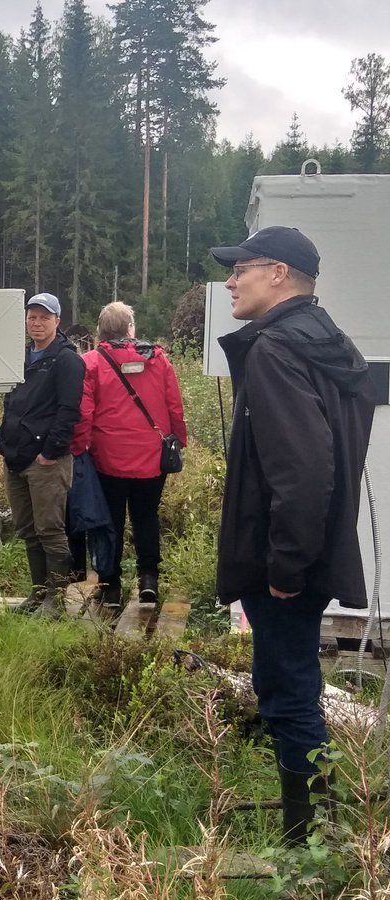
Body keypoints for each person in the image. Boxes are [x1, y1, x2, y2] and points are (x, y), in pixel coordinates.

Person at [211, 225, 374, 844]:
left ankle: (309, 846)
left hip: (284, 563)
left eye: (241, 269)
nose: (230, 280)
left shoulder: (277, 351)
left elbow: (303, 472)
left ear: (278, 274)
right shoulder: (328, 341)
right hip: (313, 552)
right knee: (297, 687)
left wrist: (284, 567)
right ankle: (318, 828)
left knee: (288, 696)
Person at [70, 302, 187, 609]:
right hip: (151, 457)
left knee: (111, 522)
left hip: (107, 459)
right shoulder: (157, 358)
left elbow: (84, 413)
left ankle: (110, 587)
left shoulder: (91, 362)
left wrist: (80, 448)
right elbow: (174, 403)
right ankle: (148, 580)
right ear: (130, 328)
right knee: (146, 517)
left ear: (101, 330)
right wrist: (179, 440)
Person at [0, 293, 85, 617]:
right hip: (16, 459)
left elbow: (69, 412)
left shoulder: (67, 360)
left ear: (57, 321)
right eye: (32, 317)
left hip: (46, 462)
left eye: (43, 318)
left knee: (50, 529)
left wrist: (49, 453)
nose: (36, 323)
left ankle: (56, 601)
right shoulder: (21, 357)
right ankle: (38, 593)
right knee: (27, 528)